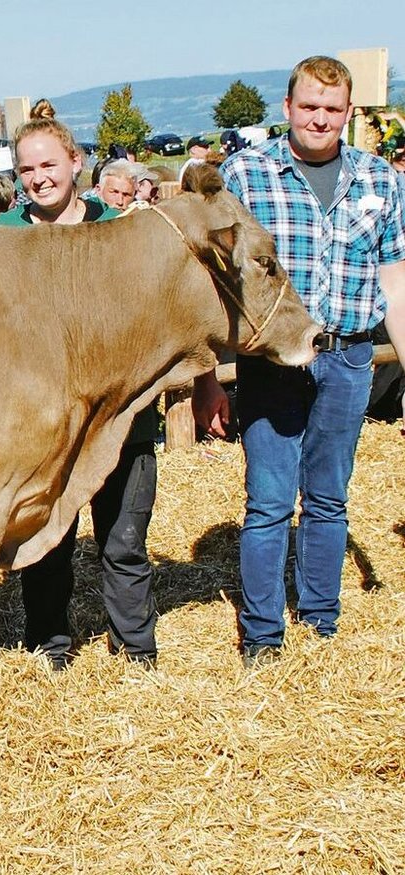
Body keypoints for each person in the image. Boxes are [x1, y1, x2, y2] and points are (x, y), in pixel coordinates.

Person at [193, 56, 405, 667]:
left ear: (348, 113)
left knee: (330, 498)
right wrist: (208, 377)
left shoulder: (380, 180)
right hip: (275, 361)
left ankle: (319, 620)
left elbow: (393, 282)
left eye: (332, 109)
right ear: (287, 108)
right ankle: (262, 634)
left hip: (350, 355)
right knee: (268, 501)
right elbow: (213, 286)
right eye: (309, 106)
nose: (320, 118)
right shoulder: (246, 174)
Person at [0, 117, 160, 668]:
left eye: (48, 164)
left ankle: (134, 648)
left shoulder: (124, 233)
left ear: (75, 162)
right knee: (46, 540)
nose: (39, 178)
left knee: (123, 540)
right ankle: (50, 644)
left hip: (120, 416)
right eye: (27, 169)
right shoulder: (3, 243)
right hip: (44, 424)